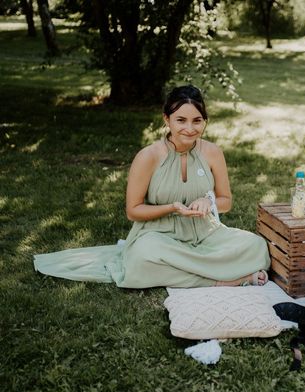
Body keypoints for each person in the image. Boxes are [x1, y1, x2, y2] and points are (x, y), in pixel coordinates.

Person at [34, 85, 270, 288]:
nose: (190, 128)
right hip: (159, 234)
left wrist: (209, 202)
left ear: (205, 121)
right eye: (181, 120)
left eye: (197, 121)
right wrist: (172, 208)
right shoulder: (148, 156)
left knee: (256, 246)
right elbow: (133, 210)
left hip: (206, 232)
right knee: (142, 258)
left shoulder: (213, 152)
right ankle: (222, 280)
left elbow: (226, 201)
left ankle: (192, 269)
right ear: (166, 119)